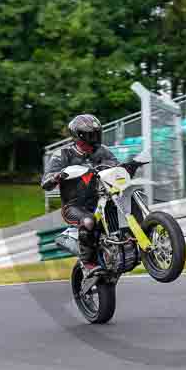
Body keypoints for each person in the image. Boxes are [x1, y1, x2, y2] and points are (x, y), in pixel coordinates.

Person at [41, 114, 119, 275]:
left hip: (101, 201)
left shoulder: (102, 151)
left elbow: (116, 165)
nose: (95, 138)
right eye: (91, 134)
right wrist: (57, 176)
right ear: (79, 136)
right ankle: (88, 262)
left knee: (122, 202)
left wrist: (125, 167)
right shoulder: (62, 154)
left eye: (97, 133)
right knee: (89, 221)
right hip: (74, 207)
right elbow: (45, 183)